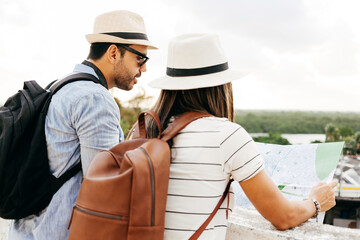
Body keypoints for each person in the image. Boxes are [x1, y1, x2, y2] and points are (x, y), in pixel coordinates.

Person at [144, 33, 337, 239]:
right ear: (221, 87)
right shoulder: (226, 135)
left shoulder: (145, 129)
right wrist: (315, 202)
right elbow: (283, 217)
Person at [8, 10, 157, 240]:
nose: (144, 68)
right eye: (140, 58)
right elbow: (103, 187)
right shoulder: (95, 99)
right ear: (114, 52)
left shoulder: (60, 86)